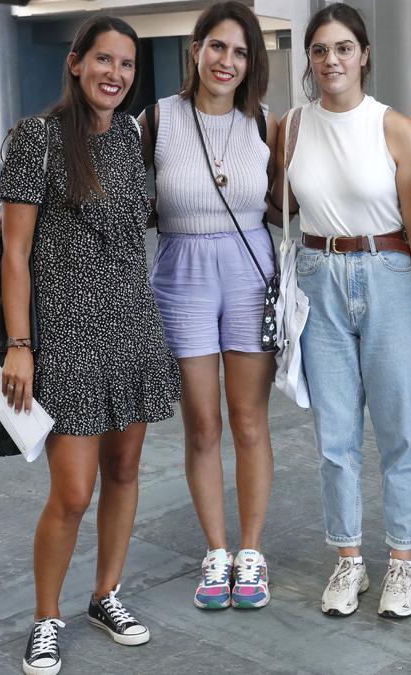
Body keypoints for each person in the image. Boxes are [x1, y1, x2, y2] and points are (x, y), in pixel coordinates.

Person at [0, 16, 181, 675]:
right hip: (66, 336)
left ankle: (107, 592)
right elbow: (14, 255)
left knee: (125, 471)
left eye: (126, 64)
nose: (116, 74)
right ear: (75, 63)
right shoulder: (36, 138)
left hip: (133, 326)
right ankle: (47, 617)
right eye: (103, 59)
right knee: (71, 491)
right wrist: (21, 345)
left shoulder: (131, 134)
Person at [273, 2, 411, 620]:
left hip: (391, 273)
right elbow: (276, 205)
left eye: (343, 48)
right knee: (335, 436)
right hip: (318, 278)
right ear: (309, 60)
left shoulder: (395, 128)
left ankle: (402, 562)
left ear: (364, 54)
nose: (331, 60)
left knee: (401, 431)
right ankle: (348, 558)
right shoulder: (289, 129)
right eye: (320, 51)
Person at [139, 1, 278, 611]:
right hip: (182, 272)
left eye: (241, 52)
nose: (227, 61)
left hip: (250, 273)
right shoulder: (156, 119)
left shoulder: (267, 124)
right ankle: (216, 551)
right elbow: (126, 196)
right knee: (203, 423)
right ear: (196, 49)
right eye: (217, 47)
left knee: (248, 420)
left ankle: (251, 552)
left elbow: (288, 202)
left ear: (252, 63)